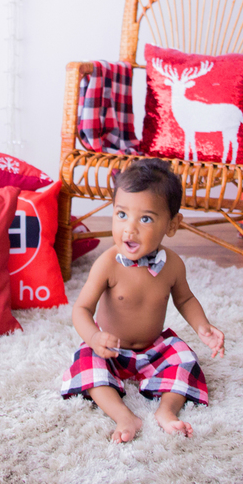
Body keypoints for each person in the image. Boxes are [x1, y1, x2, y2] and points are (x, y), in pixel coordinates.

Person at [61, 158, 225, 443]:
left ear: (172, 225)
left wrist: (203, 327)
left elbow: (185, 299)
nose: (130, 229)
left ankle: (166, 411)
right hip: (111, 349)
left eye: (145, 218)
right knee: (86, 363)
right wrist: (95, 336)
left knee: (185, 358)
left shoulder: (172, 264)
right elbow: (82, 308)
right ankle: (124, 416)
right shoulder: (108, 263)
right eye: (121, 214)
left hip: (154, 347)